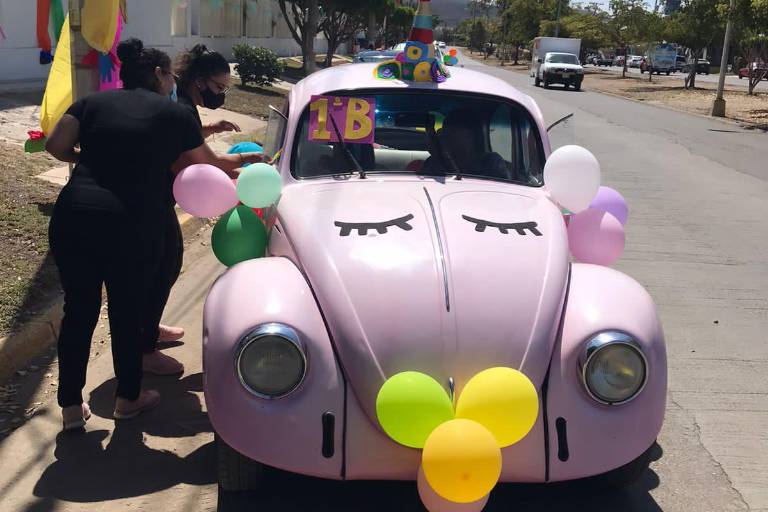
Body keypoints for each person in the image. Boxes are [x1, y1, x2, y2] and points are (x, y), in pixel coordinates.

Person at [46, 38, 266, 430]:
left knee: (78, 311)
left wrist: (91, 157)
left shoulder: (92, 103)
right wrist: (249, 159)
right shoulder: (173, 114)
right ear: (161, 76)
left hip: (75, 214)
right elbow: (210, 164)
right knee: (127, 310)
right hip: (131, 220)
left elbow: (56, 145)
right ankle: (127, 399)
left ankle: (69, 410)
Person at [136, 44, 244, 375]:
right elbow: (196, 158)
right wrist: (243, 163)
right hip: (149, 198)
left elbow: (187, 138)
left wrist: (210, 129)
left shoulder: (184, 105)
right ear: (199, 81)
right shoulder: (180, 107)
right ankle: (144, 350)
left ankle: (149, 332)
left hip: (157, 197)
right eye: (219, 87)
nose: (221, 94)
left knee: (167, 264)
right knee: (162, 268)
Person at [421, 108, 511, 179]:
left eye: (453, 130)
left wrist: (445, 154)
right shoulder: (433, 162)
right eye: (445, 130)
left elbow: (498, 191)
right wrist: (439, 156)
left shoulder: (491, 162)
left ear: (471, 135)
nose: (447, 135)